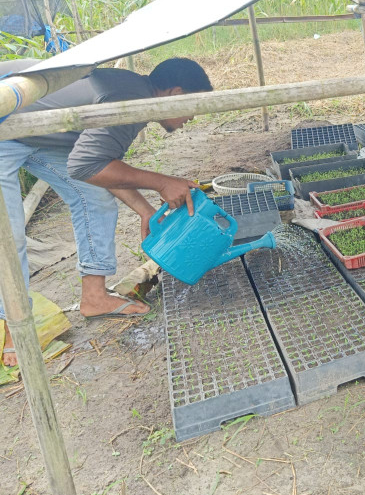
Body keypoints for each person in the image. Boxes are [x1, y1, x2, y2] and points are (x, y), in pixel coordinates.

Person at [1, 57, 213, 367]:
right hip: (4, 127)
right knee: (9, 235)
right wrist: (163, 183)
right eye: (192, 108)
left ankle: (95, 299)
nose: (191, 118)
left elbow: (97, 166)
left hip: (33, 134)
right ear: (176, 93)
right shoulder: (129, 100)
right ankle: (13, 332)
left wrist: (145, 211)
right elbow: (91, 165)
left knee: (95, 199)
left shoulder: (136, 94)